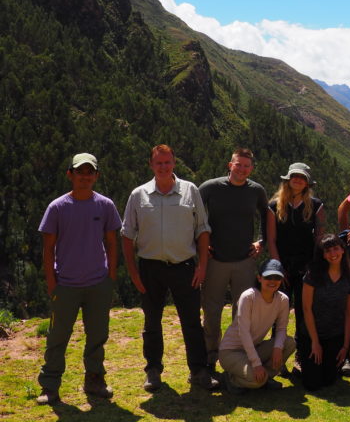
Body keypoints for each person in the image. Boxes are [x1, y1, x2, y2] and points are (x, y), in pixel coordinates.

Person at [121, 144, 219, 392]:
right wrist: (133, 273)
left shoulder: (190, 191)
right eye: (158, 163)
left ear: (174, 162)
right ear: (151, 165)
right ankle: (153, 370)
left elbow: (202, 230)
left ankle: (198, 371)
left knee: (191, 322)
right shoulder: (138, 195)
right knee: (152, 322)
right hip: (150, 268)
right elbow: (127, 235)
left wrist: (202, 266)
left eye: (167, 162)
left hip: (184, 267)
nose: (163, 167)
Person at [36, 153, 121, 405]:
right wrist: (53, 284)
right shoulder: (57, 207)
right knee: (57, 337)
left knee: (97, 336)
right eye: (80, 171)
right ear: (70, 175)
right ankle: (50, 386)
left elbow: (112, 242)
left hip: (98, 284)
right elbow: (48, 249)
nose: (85, 176)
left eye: (89, 172)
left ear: (96, 176)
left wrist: (110, 277)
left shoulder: (105, 205)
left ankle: (94, 380)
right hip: (67, 285)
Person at [199, 148, 268, 371]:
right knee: (211, 313)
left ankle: (235, 355)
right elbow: (192, 214)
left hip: (244, 262)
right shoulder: (210, 188)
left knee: (242, 313)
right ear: (230, 165)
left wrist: (261, 242)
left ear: (252, 168)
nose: (242, 169)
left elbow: (268, 216)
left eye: (246, 166)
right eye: (238, 165)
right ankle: (210, 357)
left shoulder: (256, 191)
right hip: (215, 260)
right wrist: (199, 244)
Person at [266, 162, 324, 358]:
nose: (298, 180)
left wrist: (315, 265)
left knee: (304, 310)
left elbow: (319, 239)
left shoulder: (316, 205)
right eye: (294, 176)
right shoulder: (274, 206)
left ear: (307, 183)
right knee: (278, 311)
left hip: (306, 265)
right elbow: (271, 239)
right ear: (288, 180)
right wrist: (277, 268)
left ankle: (302, 353)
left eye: (302, 177)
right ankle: (277, 354)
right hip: (282, 265)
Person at [218, 259, 297, 393]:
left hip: (253, 349)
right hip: (231, 352)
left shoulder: (283, 300)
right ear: (259, 278)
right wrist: (256, 364)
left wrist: (277, 348)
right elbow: (244, 332)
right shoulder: (248, 297)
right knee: (256, 381)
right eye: (268, 277)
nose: (272, 281)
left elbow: (282, 328)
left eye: (277, 277)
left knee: (289, 343)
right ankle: (232, 379)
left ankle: (264, 377)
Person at [299, 234, 350, 391]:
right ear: (322, 255)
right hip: (312, 335)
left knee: (329, 380)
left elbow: (349, 313)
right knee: (312, 384)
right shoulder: (313, 275)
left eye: (336, 249)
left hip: (334, 335)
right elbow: (306, 309)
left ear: (343, 250)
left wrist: (346, 346)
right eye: (328, 251)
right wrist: (315, 342)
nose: (333, 254)